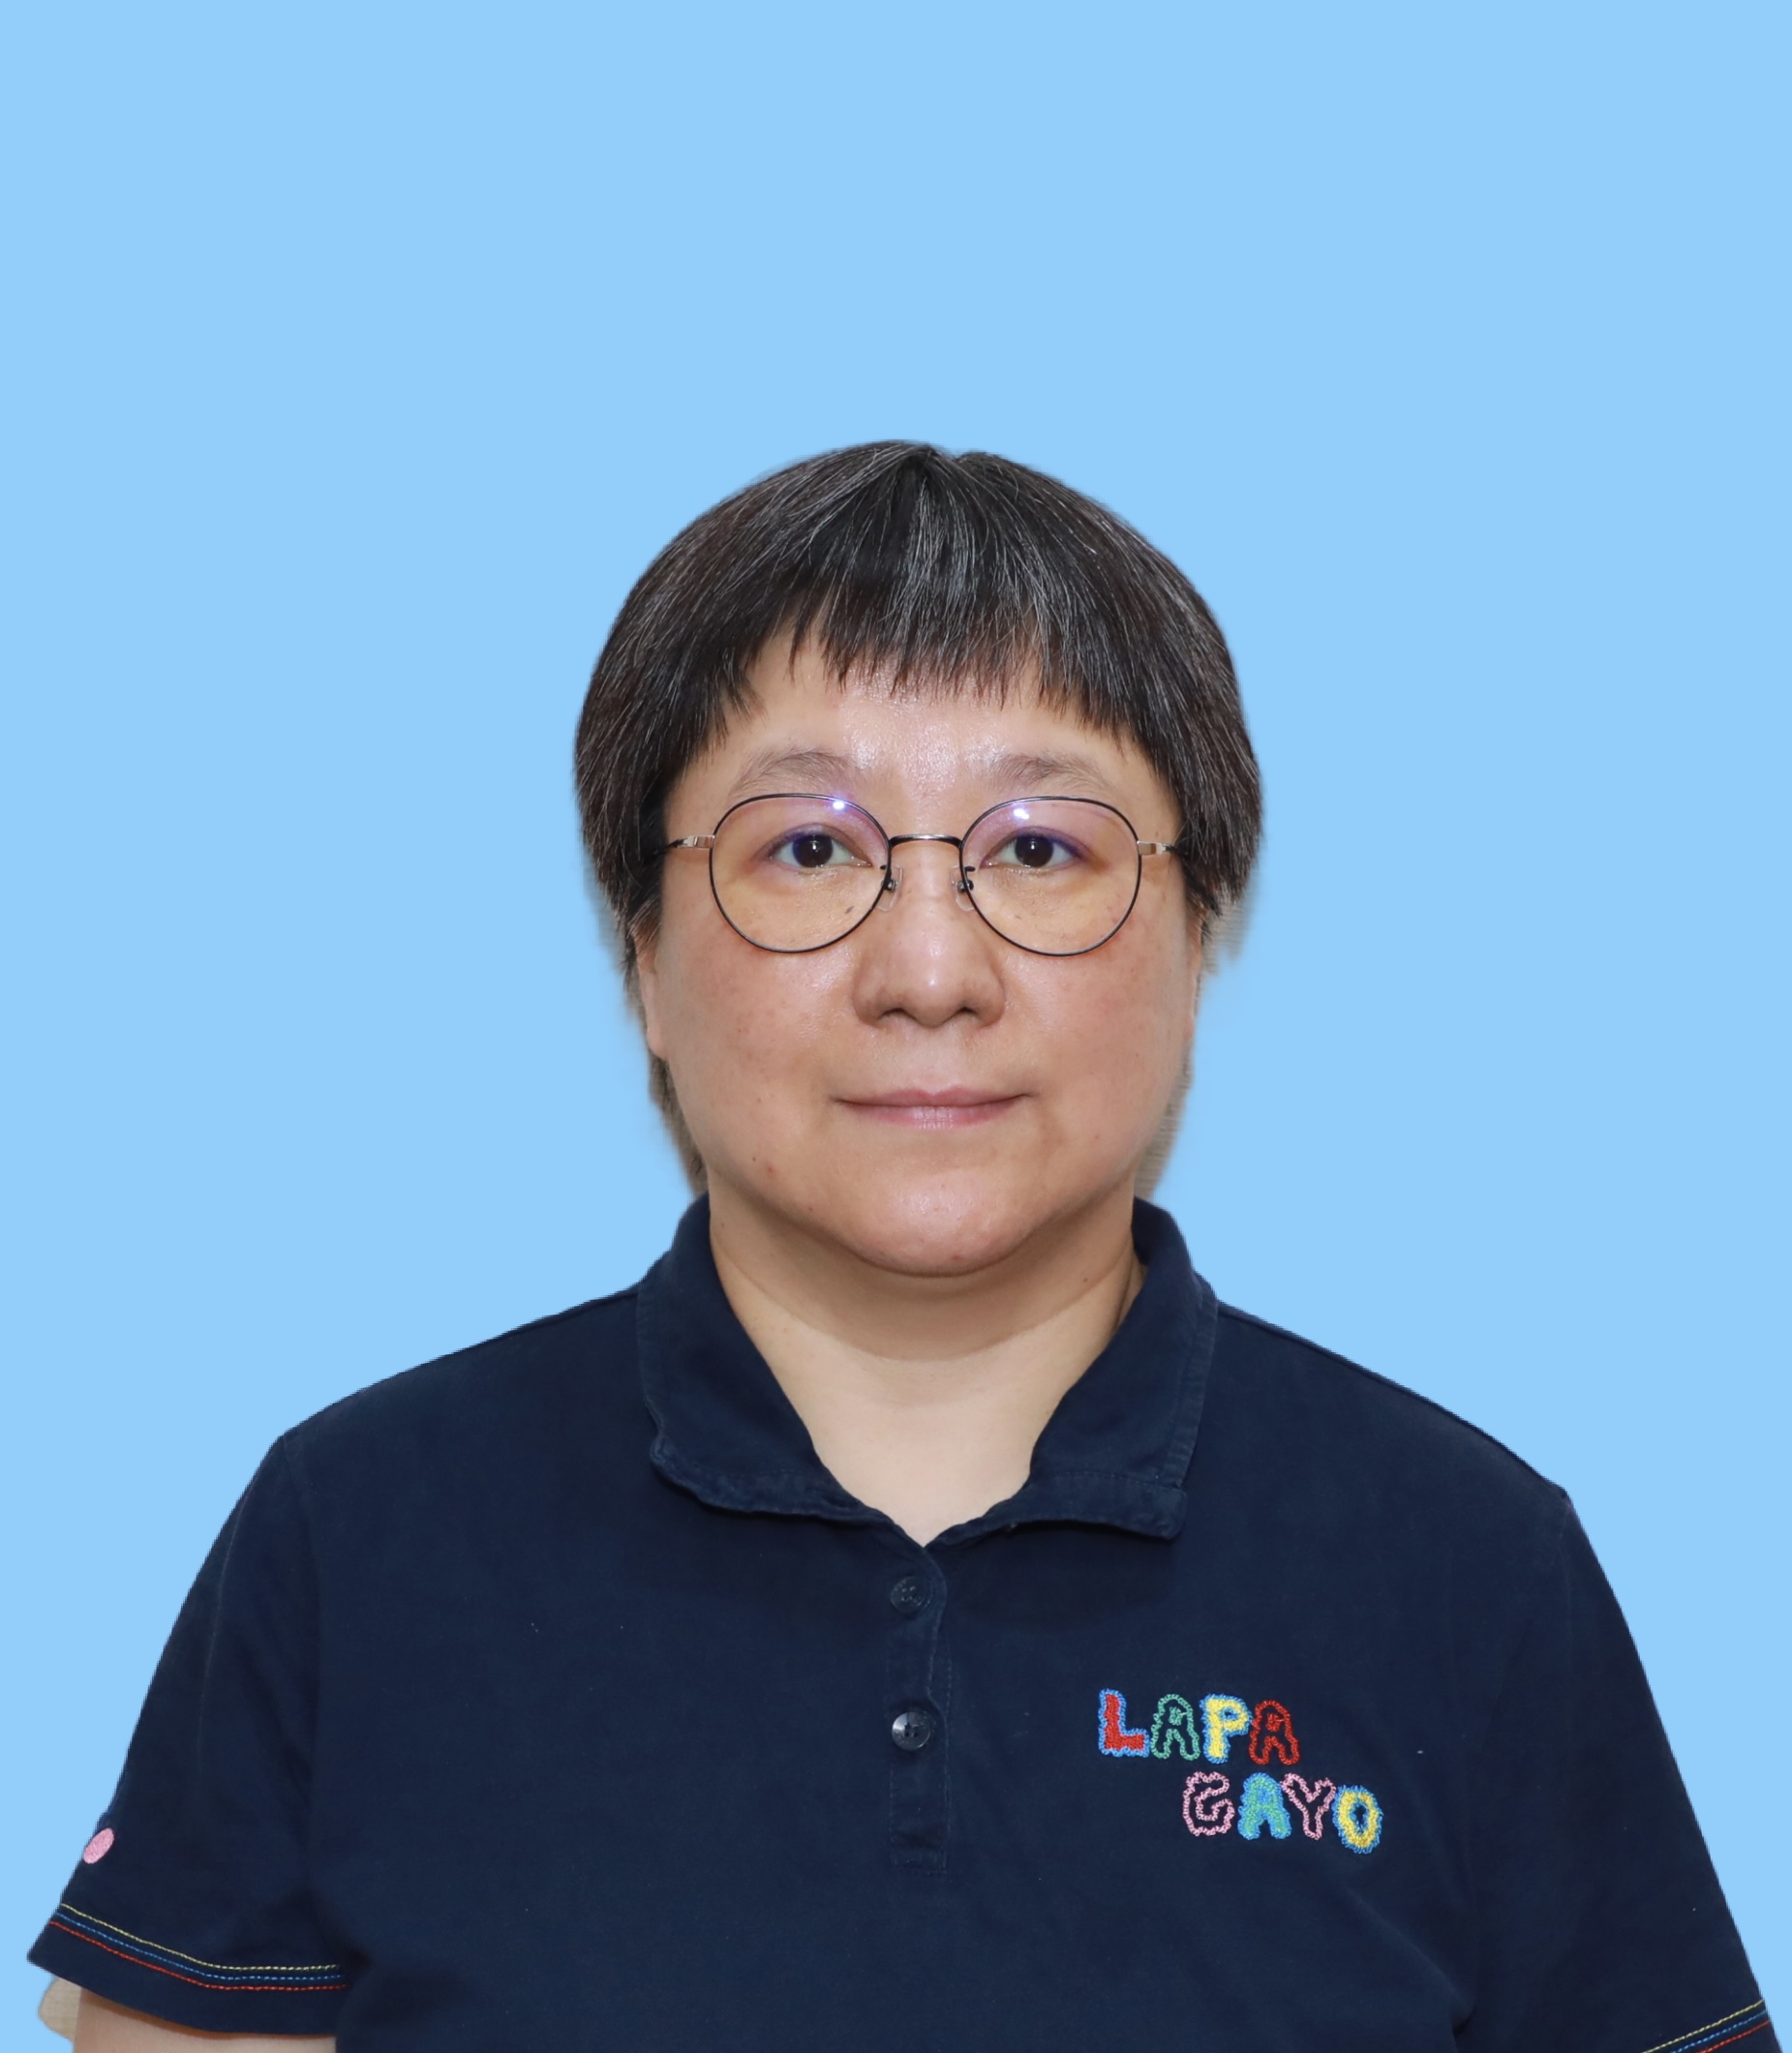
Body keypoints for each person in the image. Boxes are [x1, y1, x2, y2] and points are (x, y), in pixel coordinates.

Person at [32, 444, 1775, 2053]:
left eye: (1041, 848)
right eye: (808, 847)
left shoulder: (1465, 1564)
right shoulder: (361, 1532)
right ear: (642, 957)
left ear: (1197, 942)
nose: (930, 970)